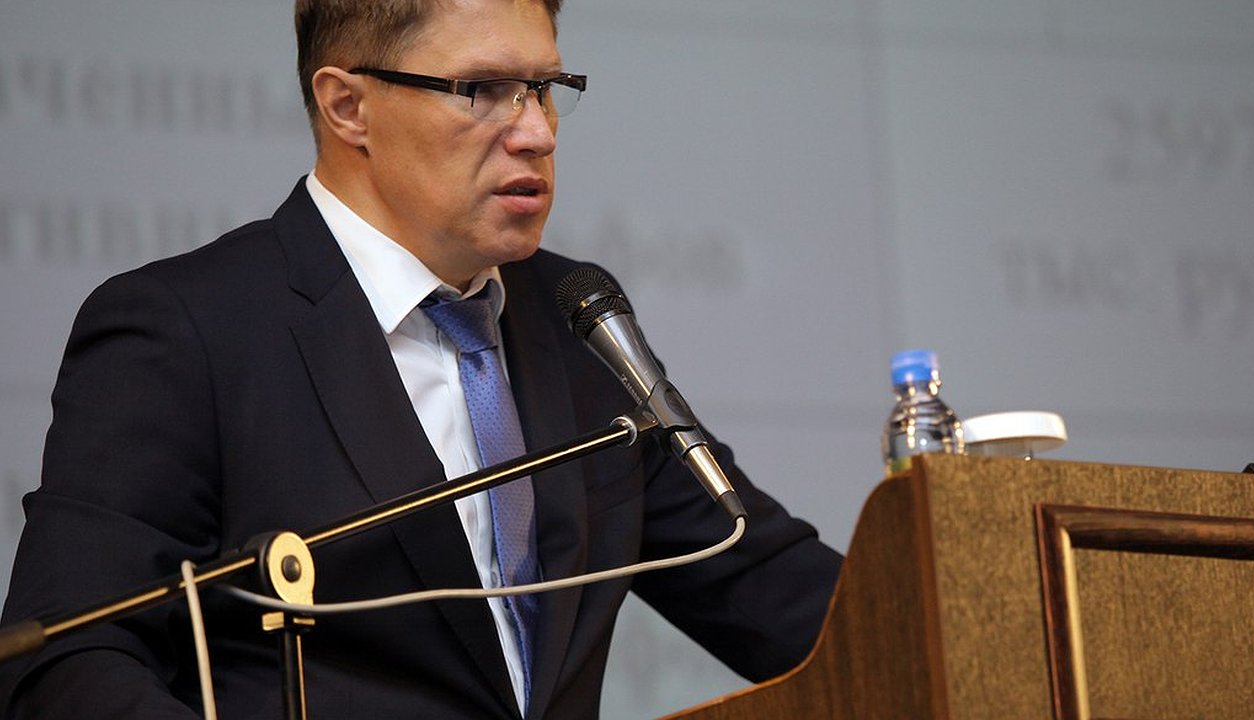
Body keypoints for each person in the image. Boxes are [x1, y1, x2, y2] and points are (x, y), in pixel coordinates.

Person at [0, 0, 842, 717]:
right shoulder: (186, 330)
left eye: (546, 89)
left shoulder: (575, 317)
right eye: (484, 90)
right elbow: (67, 658)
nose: (537, 133)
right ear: (347, 106)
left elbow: (780, 594)